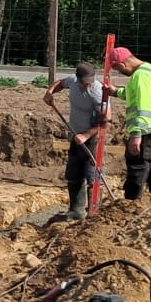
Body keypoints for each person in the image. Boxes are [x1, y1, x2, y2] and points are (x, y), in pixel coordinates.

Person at [43, 58, 107, 220]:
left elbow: (105, 122)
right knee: (74, 173)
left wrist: (86, 135)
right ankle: (76, 211)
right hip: (76, 134)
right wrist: (49, 93)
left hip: (92, 138)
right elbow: (59, 83)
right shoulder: (72, 81)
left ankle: (94, 212)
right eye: (85, 82)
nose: (88, 85)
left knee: (92, 174)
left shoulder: (98, 93)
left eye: (90, 82)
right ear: (78, 78)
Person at [109, 45, 151, 202]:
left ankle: (128, 211)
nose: (119, 72)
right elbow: (135, 95)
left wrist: (136, 134)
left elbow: (144, 106)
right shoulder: (149, 71)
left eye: (118, 69)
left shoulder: (141, 76)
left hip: (147, 134)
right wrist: (116, 91)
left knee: (136, 176)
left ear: (123, 64)